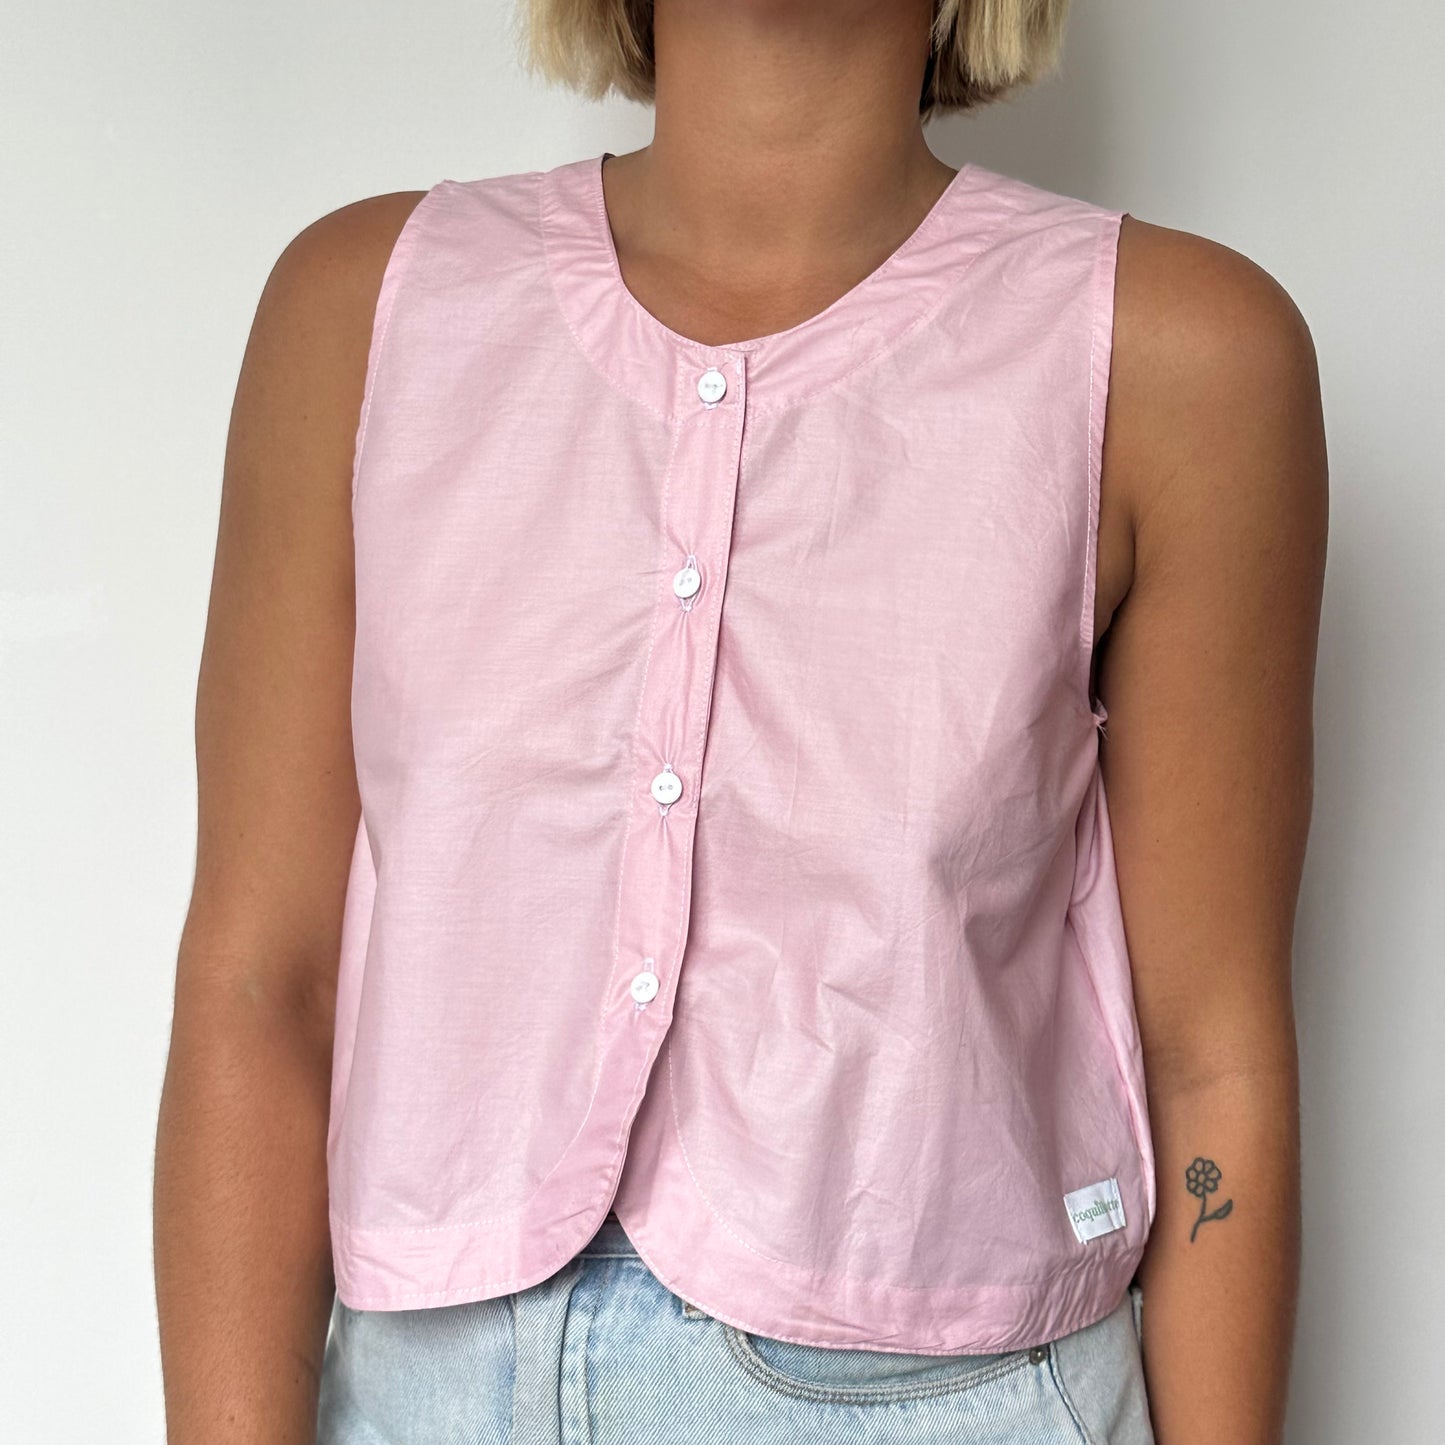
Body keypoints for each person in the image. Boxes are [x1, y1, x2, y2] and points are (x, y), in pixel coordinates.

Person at [152, 0, 1326, 1441]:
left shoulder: (1174, 356)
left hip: (942, 1399)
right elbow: (260, 984)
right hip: (422, 1391)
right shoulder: (370, 309)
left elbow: (1212, 1055)